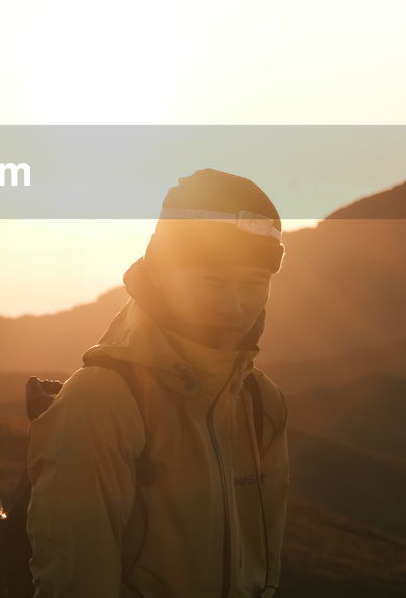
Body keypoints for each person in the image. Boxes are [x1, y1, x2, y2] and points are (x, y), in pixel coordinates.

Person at [25, 168, 290, 597]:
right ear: (162, 269)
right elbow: (74, 581)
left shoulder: (261, 402)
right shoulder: (102, 400)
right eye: (213, 281)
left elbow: (265, 569)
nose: (236, 304)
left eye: (254, 283)